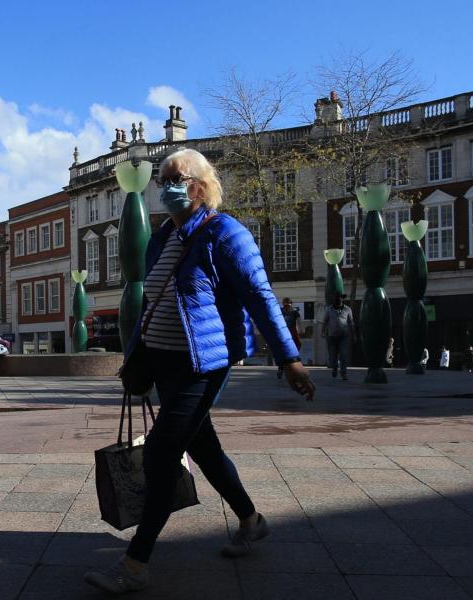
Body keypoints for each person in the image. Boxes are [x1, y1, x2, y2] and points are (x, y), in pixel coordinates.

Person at [84, 149, 315, 596]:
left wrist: (289, 359)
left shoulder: (226, 233)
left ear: (199, 184)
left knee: (161, 453)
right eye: (163, 180)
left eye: (175, 178)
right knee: (203, 446)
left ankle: (136, 564)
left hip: (203, 364)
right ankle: (251, 520)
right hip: (164, 360)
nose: (166, 187)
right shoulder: (162, 235)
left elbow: (260, 297)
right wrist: (137, 357)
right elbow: (154, 301)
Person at [322, 293, 355, 380]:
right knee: (333, 356)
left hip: (344, 336)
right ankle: (335, 368)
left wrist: (354, 334)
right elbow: (325, 321)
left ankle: (343, 373)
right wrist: (322, 331)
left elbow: (351, 323)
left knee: (343, 355)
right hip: (332, 336)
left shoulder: (348, 309)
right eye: (335, 297)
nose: (337, 299)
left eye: (339, 298)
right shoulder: (329, 309)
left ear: (342, 299)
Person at [276, 297, 302, 380]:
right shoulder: (280, 311)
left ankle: (292, 363)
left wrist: (301, 329)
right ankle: (281, 368)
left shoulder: (295, 313)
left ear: (291, 304)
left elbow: (299, 321)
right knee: (282, 351)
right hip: (283, 333)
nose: (286, 306)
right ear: (283, 304)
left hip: (292, 333)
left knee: (297, 346)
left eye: (288, 304)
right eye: (285, 305)